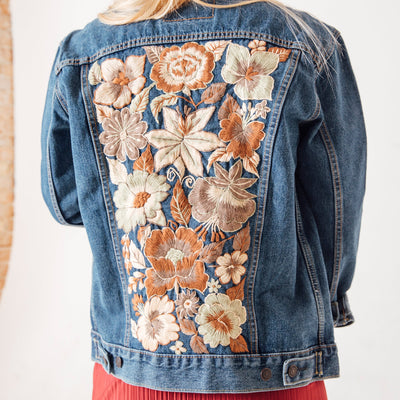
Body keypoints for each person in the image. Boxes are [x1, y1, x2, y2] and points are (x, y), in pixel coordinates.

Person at [40, 0, 367, 399]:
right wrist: (328, 299)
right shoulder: (307, 43)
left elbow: (65, 202)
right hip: (272, 373)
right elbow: (336, 212)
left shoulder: (82, 53)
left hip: (131, 372)